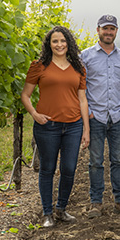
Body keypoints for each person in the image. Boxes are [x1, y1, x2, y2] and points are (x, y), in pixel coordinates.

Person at [21, 25, 90, 228]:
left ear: (68, 43)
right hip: (47, 126)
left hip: (73, 126)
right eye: (55, 41)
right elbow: (25, 95)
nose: (59, 44)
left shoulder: (78, 68)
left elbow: (83, 100)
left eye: (63, 41)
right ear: (49, 44)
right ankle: (47, 213)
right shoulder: (39, 66)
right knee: (47, 169)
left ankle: (61, 209)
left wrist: (86, 129)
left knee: (68, 169)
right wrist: (34, 114)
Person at [81, 14, 120, 218]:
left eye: (112, 29)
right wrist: (88, 113)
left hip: (117, 117)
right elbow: (81, 88)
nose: (108, 32)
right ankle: (96, 203)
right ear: (98, 30)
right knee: (95, 161)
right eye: (105, 28)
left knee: (118, 160)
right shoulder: (85, 56)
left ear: (116, 31)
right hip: (95, 117)